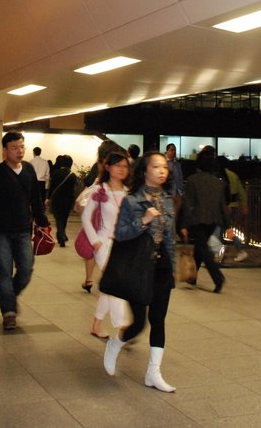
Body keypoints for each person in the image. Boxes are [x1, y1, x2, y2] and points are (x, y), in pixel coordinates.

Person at [103, 150, 177, 393]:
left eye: (165, 167)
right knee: (139, 323)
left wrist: (172, 269)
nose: (162, 171)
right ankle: (116, 342)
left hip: (161, 264)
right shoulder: (132, 200)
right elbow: (121, 234)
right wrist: (143, 221)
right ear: (145, 170)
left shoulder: (167, 199)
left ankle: (153, 373)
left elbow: (169, 239)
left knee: (158, 320)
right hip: (139, 266)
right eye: (156, 166)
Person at [0, 131, 50, 330]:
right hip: (1, 232)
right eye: (14, 148)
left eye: (22, 147)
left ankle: (9, 297)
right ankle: (8, 313)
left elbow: (35, 199)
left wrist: (43, 221)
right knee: (3, 273)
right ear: (5, 150)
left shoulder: (29, 169)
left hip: (23, 230)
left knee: (26, 269)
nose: (19, 151)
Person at [79, 148, 131, 340]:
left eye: (125, 166)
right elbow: (85, 217)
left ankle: (96, 324)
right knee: (117, 284)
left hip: (123, 246)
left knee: (111, 285)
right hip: (103, 244)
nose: (121, 169)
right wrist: (95, 242)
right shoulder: (99, 191)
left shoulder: (128, 193)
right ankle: (122, 327)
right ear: (107, 167)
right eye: (117, 165)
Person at [178, 147, 228, 293]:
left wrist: (183, 224)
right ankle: (193, 277)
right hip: (213, 220)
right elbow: (222, 205)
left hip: (197, 219)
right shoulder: (218, 183)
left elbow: (189, 205)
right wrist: (228, 225)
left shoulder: (193, 180)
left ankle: (218, 278)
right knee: (201, 247)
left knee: (201, 247)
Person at [79, 140, 126, 293]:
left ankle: (89, 278)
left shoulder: (99, 166)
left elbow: (89, 184)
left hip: (98, 216)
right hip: (109, 217)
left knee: (94, 245)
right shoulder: (119, 165)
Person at [48, 155, 77, 247]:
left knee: (58, 218)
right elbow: (73, 190)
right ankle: (62, 234)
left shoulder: (56, 173)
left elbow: (51, 187)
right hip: (67, 200)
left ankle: (61, 235)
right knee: (64, 219)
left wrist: (48, 198)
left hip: (57, 199)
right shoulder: (72, 175)